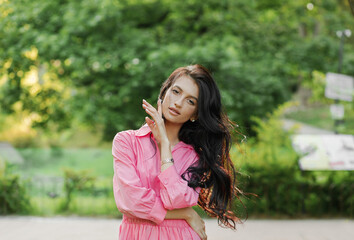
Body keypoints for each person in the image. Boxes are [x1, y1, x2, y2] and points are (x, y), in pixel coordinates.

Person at [112, 64, 241, 240]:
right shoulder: (126, 141)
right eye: (176, 92)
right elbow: (131, 202)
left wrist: (164, 144)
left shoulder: (195, 156)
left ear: (195, 113)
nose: (178, 103)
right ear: (164, 92)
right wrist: (187, 214)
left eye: (191, 101)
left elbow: (176, 200)